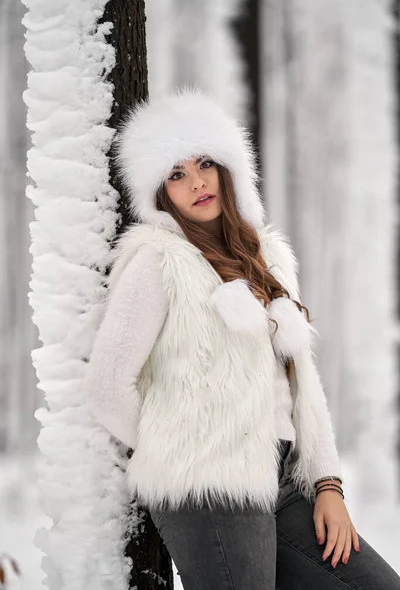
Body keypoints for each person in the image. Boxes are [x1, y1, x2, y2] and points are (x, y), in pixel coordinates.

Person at [84, 86, 400, 589]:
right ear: (161, 194)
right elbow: (106, 385)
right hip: (211, 485)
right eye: (176, 174)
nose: (196, 182)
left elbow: (303, 385)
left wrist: (328, 483)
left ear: (228, 167)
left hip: (281, 479)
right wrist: (184, 450)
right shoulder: (157, 262)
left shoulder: (268, 259)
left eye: (204, 163)